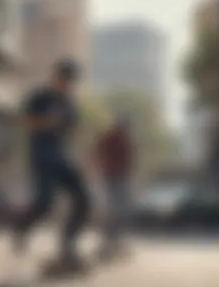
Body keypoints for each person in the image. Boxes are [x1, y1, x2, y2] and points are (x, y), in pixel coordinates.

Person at [13, 59, 89, 273]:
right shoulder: (39, 97)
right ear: (55, 77)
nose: (66, 84)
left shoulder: (69, 102)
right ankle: (22, 226)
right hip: (40, 155)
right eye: (63, 79)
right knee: (45, 202)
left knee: (83, 197)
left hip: (61, 155)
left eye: (70, 81)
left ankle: (68, 245)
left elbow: (72, 130)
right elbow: (23, 122)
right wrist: (45, 122)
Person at [94, 114, 134, 260]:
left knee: (121, 210)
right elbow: (97, 150)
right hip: (111, 177)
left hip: (121, 177)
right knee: (113, 210)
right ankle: (108, 243)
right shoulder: (110, 137)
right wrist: (100, 166)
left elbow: (129, 159)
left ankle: (115, 242)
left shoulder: (126, 139)